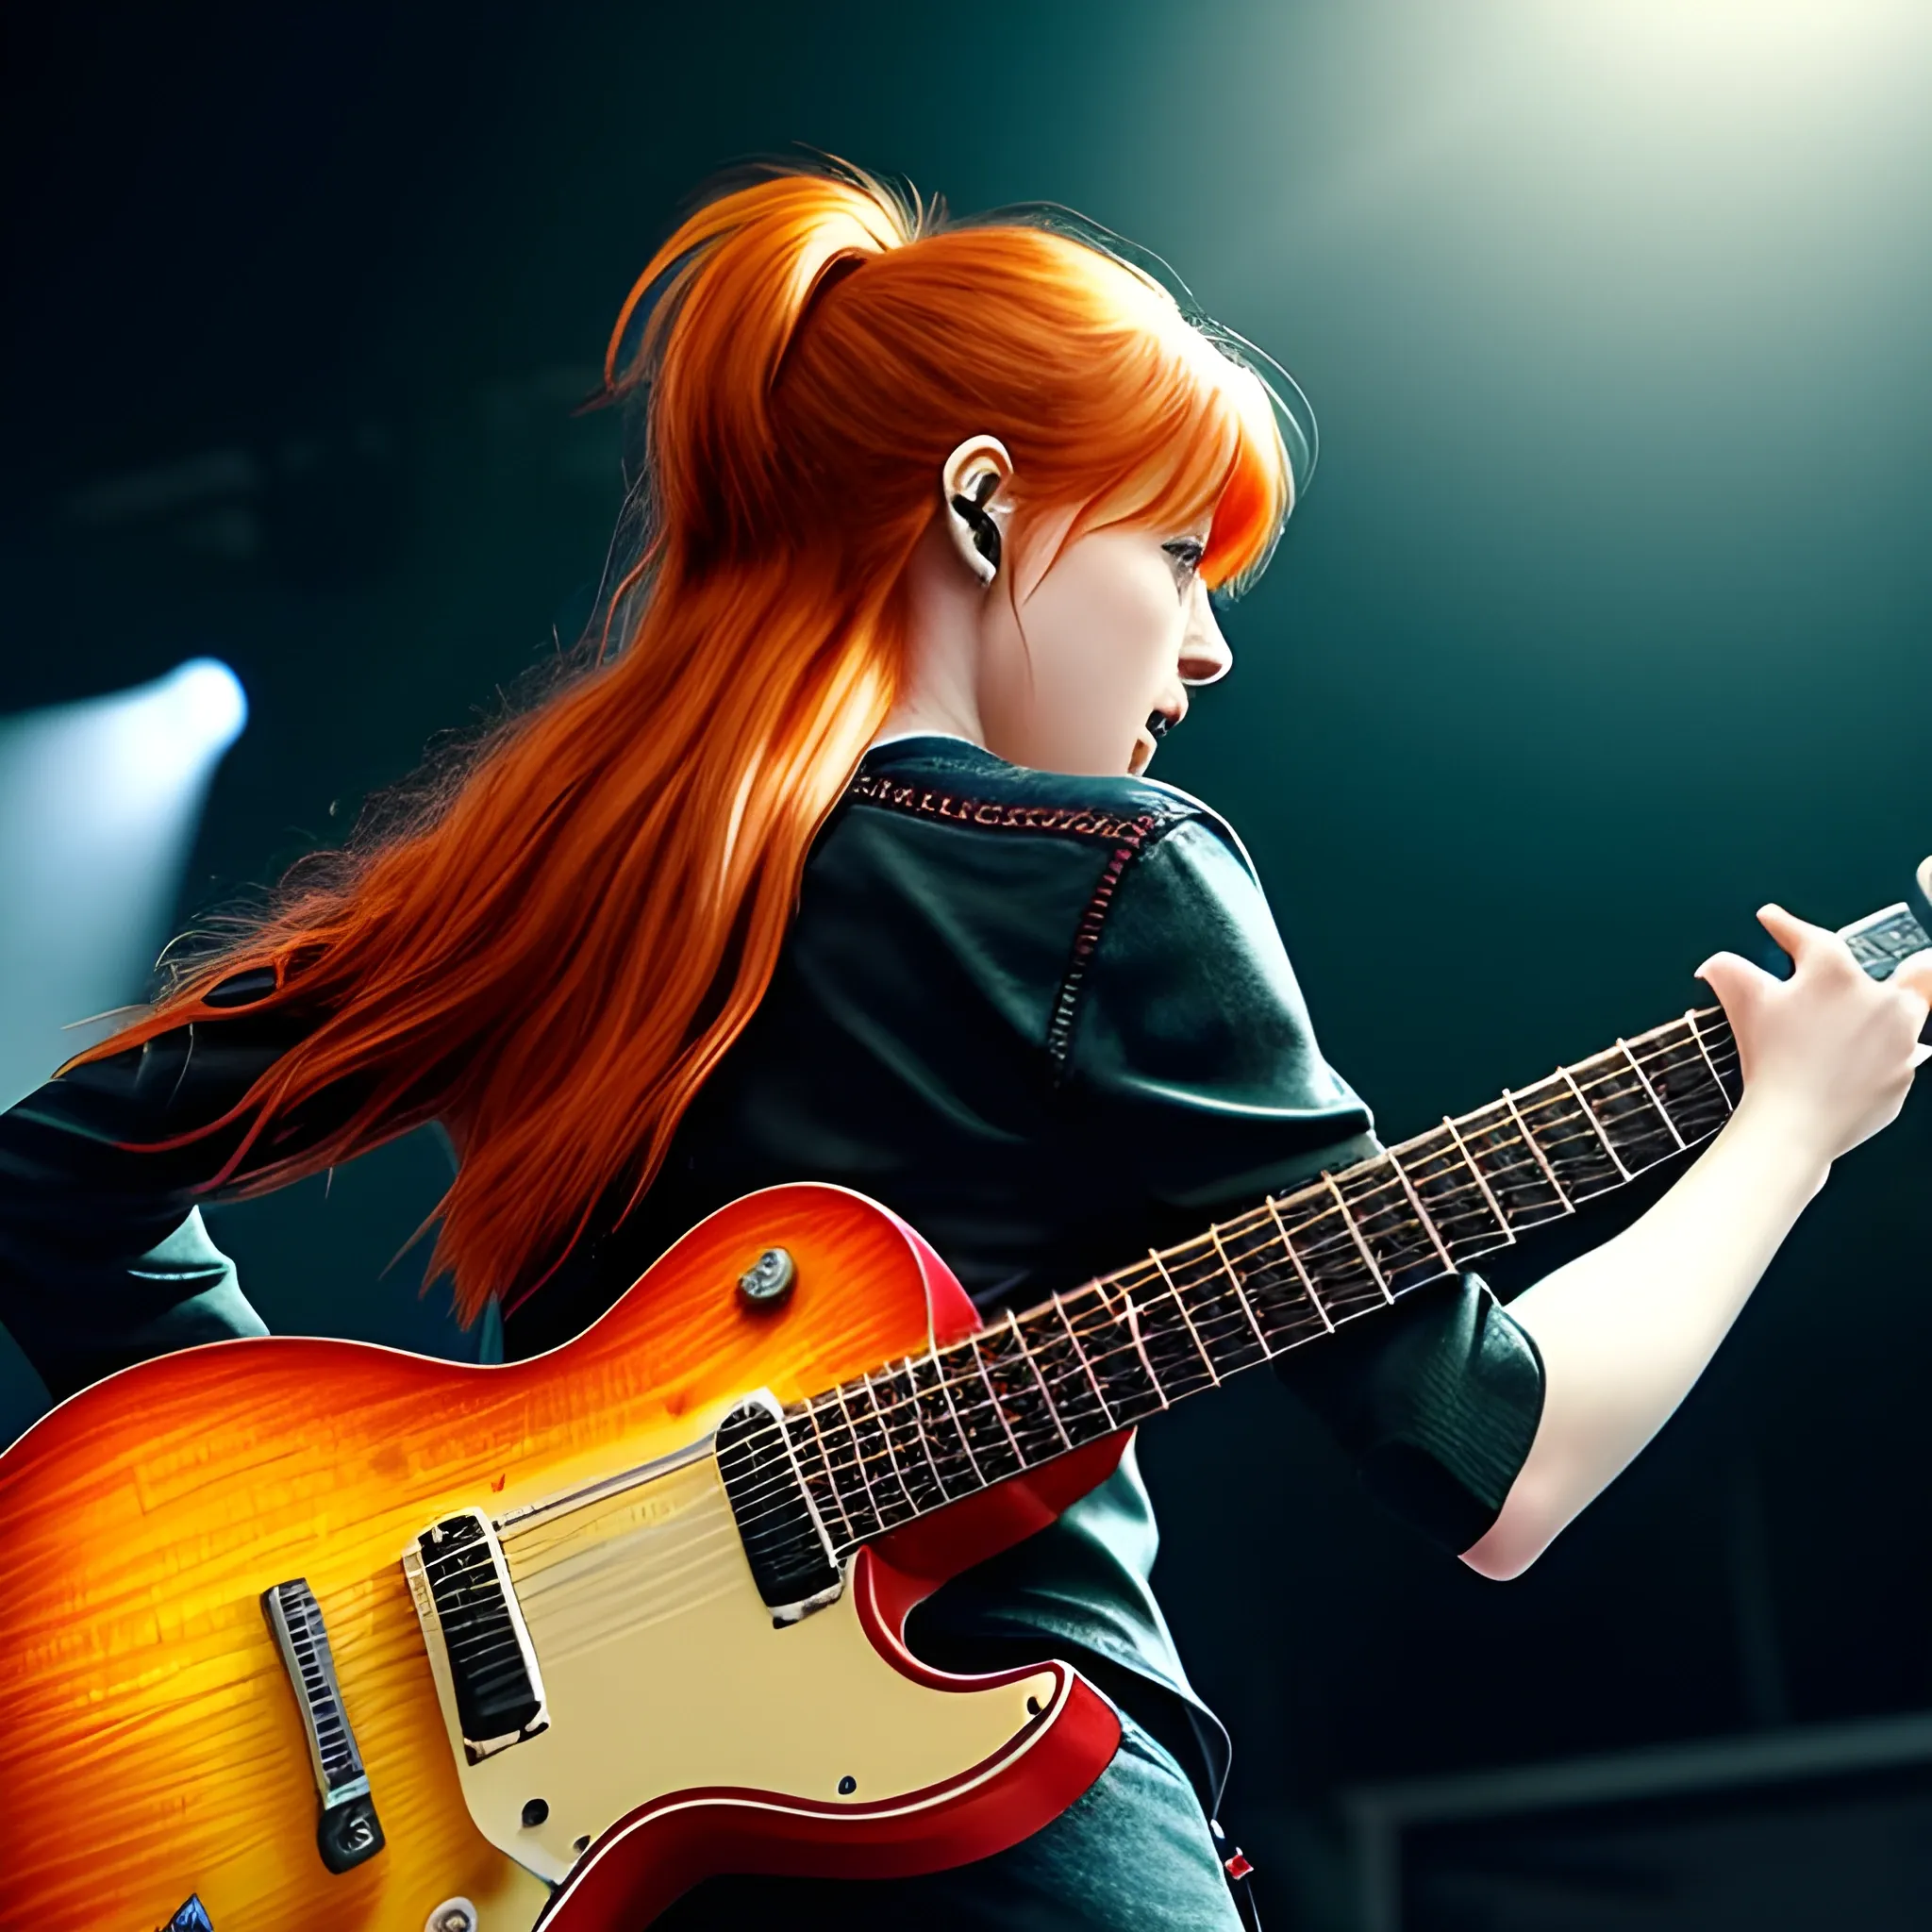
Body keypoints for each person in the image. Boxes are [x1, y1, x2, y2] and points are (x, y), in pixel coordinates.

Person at [1, 162, 1926, 1931]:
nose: (1207, 648)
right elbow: (1500, 1464)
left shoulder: (559, 871)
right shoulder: (1109, 877)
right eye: (1175, 553)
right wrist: (1783, 1129)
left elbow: (53, 1163)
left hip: (582, 1880)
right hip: (994, 1851)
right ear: (986, 501)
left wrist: (379, 1531)